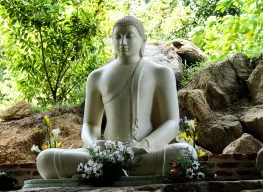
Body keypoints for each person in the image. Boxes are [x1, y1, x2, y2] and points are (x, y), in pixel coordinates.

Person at [37, 16, 197, 179]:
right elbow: (91, 124)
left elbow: (171, 123)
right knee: (45, 160)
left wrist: (144, 145)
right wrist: (93, 146)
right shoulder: (97, 77)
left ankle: (103, 172)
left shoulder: (160, 73)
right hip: (106, 154)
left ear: (143, 39)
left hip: (142, 153)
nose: (123, 42)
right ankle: (110, 167)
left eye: (129, 36)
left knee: (186, 153)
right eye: (118, 37)